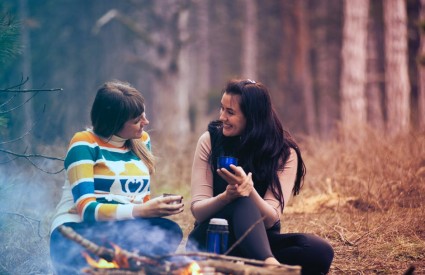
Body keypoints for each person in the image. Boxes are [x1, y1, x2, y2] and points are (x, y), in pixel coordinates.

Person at [187, 79, 334, 274]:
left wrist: (250, 191)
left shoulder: (284, 152)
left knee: (319, 250)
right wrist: (227, 197)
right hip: (211, 240)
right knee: (240, 200)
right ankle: (269, 266)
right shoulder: (210, 141)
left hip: (258, 242)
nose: (222, 117)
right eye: (221, 109)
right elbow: (198, 210)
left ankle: (258, 264)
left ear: (253, 117)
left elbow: (271, 219)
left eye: (230, 112)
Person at [49, 80, 184, 274]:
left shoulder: (141, 140)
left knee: (168, 231)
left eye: (144, 115)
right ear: (114, 123)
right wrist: (141, 210)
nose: (145, 123)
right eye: (137, 120)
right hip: (77, 231)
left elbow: (140, 201)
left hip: (121, 230)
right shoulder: (84, 143)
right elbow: (87, 211)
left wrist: (154, 208)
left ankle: (128, 267)